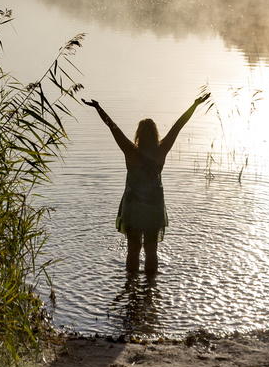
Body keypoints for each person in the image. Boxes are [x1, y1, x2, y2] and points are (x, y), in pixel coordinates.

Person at [81, 92, 211, 274]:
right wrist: (195, 104)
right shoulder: (161, 151)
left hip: (133, 208)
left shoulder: (130, 151)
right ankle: (150, 288)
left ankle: (130, 287)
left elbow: (113, 128)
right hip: (153, 209)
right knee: (152, 253)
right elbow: (178, 126)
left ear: (138, 135)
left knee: (132, 252)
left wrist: (99, 108)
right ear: (155, 134)